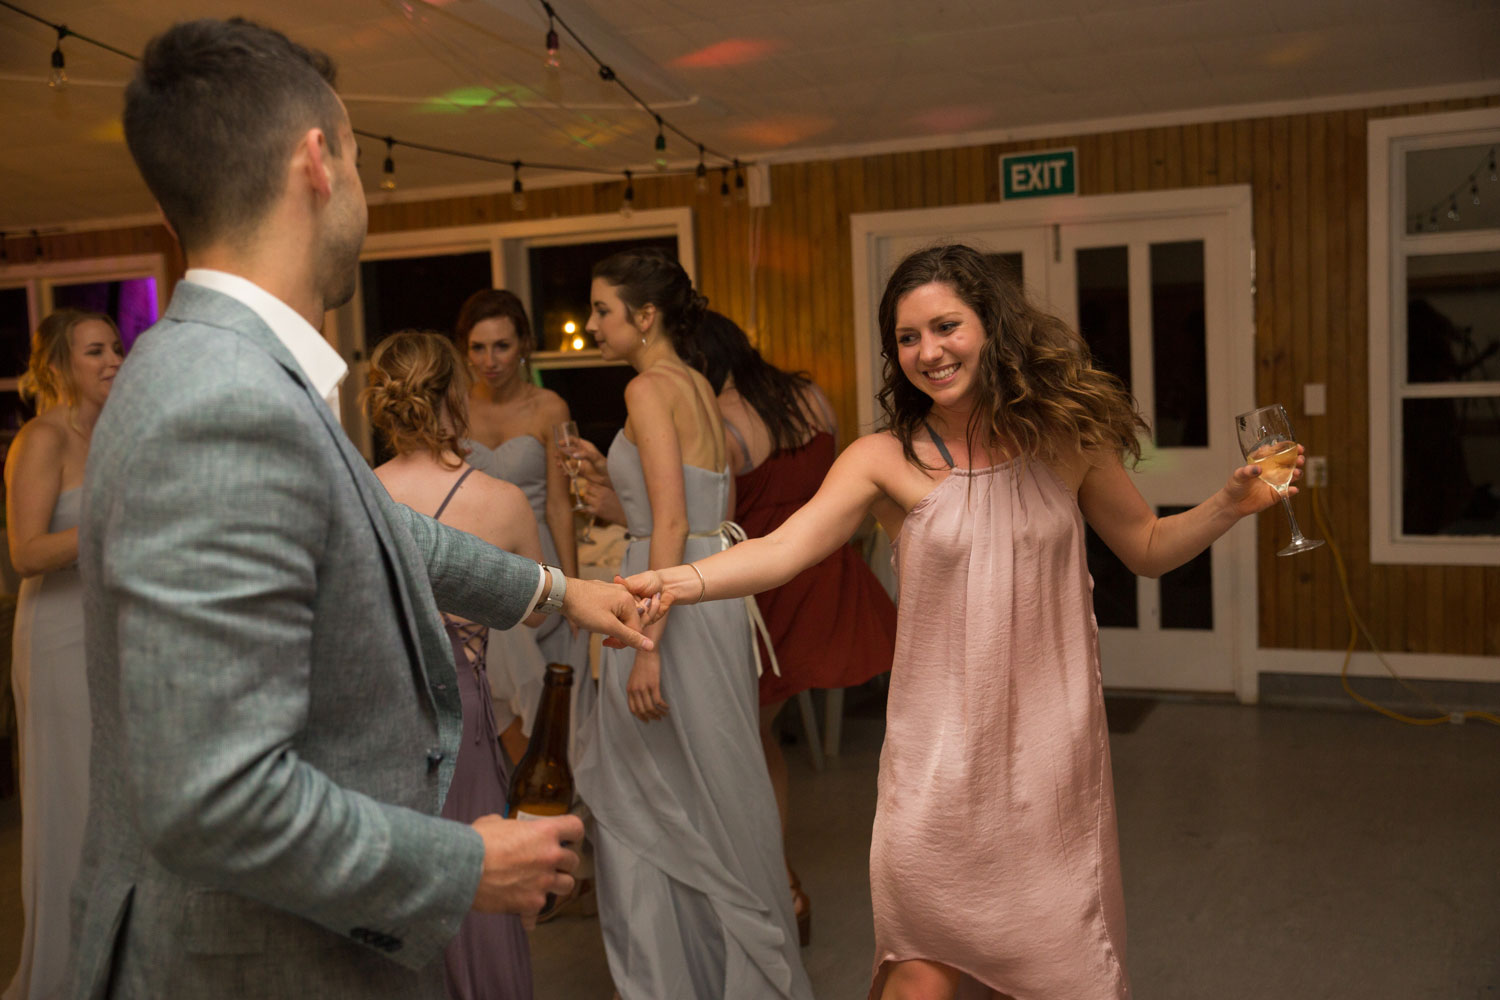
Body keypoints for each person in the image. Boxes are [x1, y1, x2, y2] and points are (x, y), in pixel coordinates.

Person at [71, 19, 652, 998]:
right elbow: (215, 799)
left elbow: (381, 529)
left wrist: (558, 591)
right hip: (257, 963)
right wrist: (468, 864)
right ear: (316, 162)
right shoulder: (222, 398)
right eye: (354, 154)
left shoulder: (231, 366)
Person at [623, 244, 1301, 1000]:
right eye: (908, 338)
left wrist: (1229, 506)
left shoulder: (1066, 439)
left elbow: (1144, 547)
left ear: (993, 325)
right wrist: (674, 581)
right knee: (919, 974)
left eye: (946, 326)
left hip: (1048, 760)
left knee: (1059, 972)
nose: (928, 352)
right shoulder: (884, 459)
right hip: (935, 767)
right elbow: (783, 551)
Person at [570, 310, 899, 944]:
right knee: (753, 736)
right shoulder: (809, 395)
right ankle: (774, 883)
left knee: (745, 738)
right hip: (824, 567)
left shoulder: (723, 415)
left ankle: (764, 884)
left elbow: (701, 510)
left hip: (762, 573)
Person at [570, 249, 814, 1000]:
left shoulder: (647, 388)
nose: (593, 323)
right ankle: (732, 971)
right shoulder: (701, 388)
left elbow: (672, 518)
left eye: (604, 310)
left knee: (647, 794)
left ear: (645, 317)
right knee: (713, 786)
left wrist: (647, 644)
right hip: (709, 598)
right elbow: (708, 512)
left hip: (666, 607)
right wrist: (617, 505)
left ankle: (675, 980)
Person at [367, 331, 539, 1000]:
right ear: (454, 397)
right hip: (462, 713)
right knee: (477, 876)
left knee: (399, 878)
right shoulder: (500, 502)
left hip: (381, 713)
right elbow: (534, 610)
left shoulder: (362, 494)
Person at [3, 309, 122, 1000]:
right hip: (56, 635)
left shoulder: (115, 431)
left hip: (113, 626)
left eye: (115, 347)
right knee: (73, 796)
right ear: (58, 366)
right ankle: (67, 972)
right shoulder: (39, 440)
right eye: (95, 351)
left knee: (117, 798)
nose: (113, 359)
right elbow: (24, 554)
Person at [452, 290, 589, 763]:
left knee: (550, 703)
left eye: (502, 346)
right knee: (488, 701)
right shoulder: (454, 406)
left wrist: (572, 591)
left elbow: (558, 504)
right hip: (477, 565)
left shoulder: (549, 407)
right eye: (478, 347)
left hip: (536, 558)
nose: (490, 360)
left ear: (524, 344)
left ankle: (551, 806)